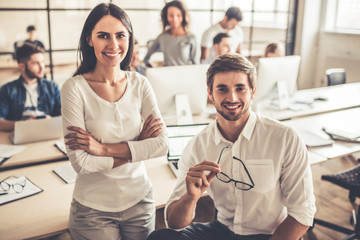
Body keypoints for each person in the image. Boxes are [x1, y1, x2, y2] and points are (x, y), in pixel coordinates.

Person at [147, 53, 316, 240]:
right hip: (223, 231)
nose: (232, 97)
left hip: (270, 234)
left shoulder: (285, 138)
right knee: (160, 237)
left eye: (240, 88)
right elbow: (174, 223)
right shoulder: (198, 144)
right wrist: (190, 197)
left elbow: (303, 213)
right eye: (222, 89)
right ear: (210, 94)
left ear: (253, 91)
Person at [60, 3, 168, 240]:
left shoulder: (140, 83)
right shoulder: (74, 88)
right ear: (89, 39)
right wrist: (138, 146)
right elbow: (82, 164)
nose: (113, 45)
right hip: (92, 209)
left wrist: (103, 149)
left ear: (129, 38)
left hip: (140, 200)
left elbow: (162, 145)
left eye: (120, 35)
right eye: (103, 36)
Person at [0, 42, 61, 131]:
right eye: (36, 63)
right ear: (22, 66)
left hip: (48, 130)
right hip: (21, 132)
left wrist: (51, 121)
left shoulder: (52, 87)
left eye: (42, 62)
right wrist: (22, 125)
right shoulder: (7, 90)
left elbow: (64, 116)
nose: (42, 67)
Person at [143, 0, 197, 67]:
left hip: (185, 75)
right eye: (171, 15)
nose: (175, 19)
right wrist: (154, 70)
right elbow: (146, 59)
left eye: (178, 15)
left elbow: (196, 65)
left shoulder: (191, 38)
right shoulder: (162, 37)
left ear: (183, 16)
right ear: (166, 17)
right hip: (165, 76)